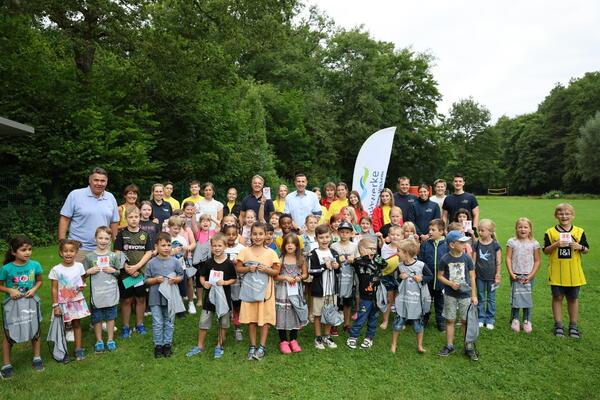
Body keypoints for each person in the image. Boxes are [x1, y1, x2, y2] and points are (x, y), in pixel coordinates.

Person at [0, 236, 44, 378]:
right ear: (13, 252)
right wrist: (10, 290)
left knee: (34, 330)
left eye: (30, 249)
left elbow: (39, 281)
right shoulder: (6, 269)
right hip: (12, 306)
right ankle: (7, 364)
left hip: (30, 303)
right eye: (23, 250)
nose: (27, 252)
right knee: (9, 333)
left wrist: (34, 290)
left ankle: (37, 358)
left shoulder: (35, 265)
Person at [236, 222, 281, 360]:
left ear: (266, 235)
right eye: (255, 234)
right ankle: (253, 345)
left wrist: (267, 270)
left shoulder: (271, 253)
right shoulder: (244, 251)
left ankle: (262, 346)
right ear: (251, 235)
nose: (257, 237)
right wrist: (248, 268)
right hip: (250, 291)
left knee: (265, 319)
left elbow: (276, 272)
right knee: (251, 319)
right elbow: (238, 268)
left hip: (265, 293)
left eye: (260, 234)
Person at [543, 203, 589, 339]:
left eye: (567, 213)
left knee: (573, 298)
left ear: (572, 215)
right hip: (557, 272)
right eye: (561, 213)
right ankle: (558, 325)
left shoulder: (579, 231)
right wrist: (556, 244)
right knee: (557, 297)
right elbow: (545, 251)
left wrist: (579, 246)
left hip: (574, 272)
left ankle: (573, 325)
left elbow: (586, 249)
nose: (564, 216)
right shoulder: (550, 232)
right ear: (556, 215)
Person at [187, 234, 237, 359]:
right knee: (204, 322)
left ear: (225, 246)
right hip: (209, 299)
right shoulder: (208, 263)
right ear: (211, 247)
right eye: (214, 246)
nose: (217, 248)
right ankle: (200, 346)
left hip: (224, 299)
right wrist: (204, 283)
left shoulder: (229, 264)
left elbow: (233, 279)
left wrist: (225, 282)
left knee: (223, 323)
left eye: (220, 245)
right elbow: (202, 276)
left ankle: (219, 345)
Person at [58, 167, 120, 262]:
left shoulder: (110, 197)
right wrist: (62, 242)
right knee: (77, 276)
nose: (99, 183)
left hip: (103, 248)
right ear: (90, 180)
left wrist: (116, 246)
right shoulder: (75, 195)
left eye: (102, 181)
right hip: (78, 248)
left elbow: (114, 222)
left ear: (106, 182)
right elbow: (65, 219)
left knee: (102, 276)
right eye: (96, 180)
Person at [437, 230, 479, 361]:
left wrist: (474, 295)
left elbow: (472, 277)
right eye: (461, 242)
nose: (465, 244)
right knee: (450, 320)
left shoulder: (467, 258)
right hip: (450, 295)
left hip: (465, 295)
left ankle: (469, 346)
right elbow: (439, 276)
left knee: (465, 321)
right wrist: (450, 283)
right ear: (452, 245)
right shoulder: (445, 259)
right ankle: (449, 345)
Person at [114, 205, 154, 338]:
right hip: (126, 274)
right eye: (131, 217)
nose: (134, 219)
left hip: (140, 273)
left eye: (136, 217)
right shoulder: (122, 234)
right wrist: (126, 267)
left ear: (139, 218)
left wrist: (137, 267)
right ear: (126, 219)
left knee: (141, 299)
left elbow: (148, 252)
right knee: (126, 300)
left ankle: (140, 324)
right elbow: (118, 253)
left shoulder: (145, 234)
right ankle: (126, 327)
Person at [49, 240, 91, 361]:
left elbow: (82, 280)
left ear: (76, 252)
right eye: (65, 251)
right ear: (61, 253)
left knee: (77, 324)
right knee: (61, 327)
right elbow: (54, 288)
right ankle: (62, 351)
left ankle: (78, 349)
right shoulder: (56, 269)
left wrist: (82, 285)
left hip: (76, 301)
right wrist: (55, 305)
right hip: (62, 303)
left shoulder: (79, 266)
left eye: (71, 251)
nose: (68, 254)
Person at [144, 232, 184, 358]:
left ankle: (167, 344)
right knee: (157, 322)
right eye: (163, 245)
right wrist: (155, 280)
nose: (166, 248)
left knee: (169, 320)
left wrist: (176, 280)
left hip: (170, 297)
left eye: (168, 245)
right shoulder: (151, 263)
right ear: (156, 246)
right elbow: (146, 280)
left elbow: (181, 275)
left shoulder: (175, 262)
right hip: (155, 297)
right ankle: (158, 345)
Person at [83, 227, 121, 353]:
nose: (103, 241)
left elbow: (120, 273)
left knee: (111, 317)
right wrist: (88, 272)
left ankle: (110, 340)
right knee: (97, 318)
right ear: (95, 239)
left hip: (110, 292)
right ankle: (99, 341)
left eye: (106, 238)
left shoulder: (113, 256)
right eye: (100, 238)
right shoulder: (89, 257)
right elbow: (82, 275)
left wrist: (114, 271)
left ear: (110, 240)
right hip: (97, 294)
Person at [391, 239, 432, 354]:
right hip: (403, 300)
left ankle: (419, 345)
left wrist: (422, 278)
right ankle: (393, 344)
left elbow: (430, 276)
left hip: (416, 301)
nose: (397, 253)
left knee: (418, 324)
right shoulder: (400, 266)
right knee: (398, 323)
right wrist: (400, 277)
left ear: (407, 253)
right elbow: (394, 280)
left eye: (399, 251)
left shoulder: (421, 265)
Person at [346, 238, 385, 350]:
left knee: (374, 318)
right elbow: (351, 261)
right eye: (369, 249)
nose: (372, 251)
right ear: (362, 250)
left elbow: (385, 264)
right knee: (361, 318)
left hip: (377, 296)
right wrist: (351, 259)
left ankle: (369, 338)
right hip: (365, 296)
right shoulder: (359, 262)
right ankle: (353, 337)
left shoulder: (377, 260)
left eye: (374, 249)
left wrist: (376, 256)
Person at [274, 233, 308, 354]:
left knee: (295, 312)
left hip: (296, 291)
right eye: (287, 243)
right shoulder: (280, 259)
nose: (290, 245)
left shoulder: (301, 259)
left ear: (297, 246)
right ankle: (283, 340)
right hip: (283, 291)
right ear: (284, 246)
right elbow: (275, 276)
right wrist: (285, 277)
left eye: (293, 243)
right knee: (282, 314)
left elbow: (305, 274)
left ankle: (293, 339)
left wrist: (299, 278)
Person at [308, 225, 340, 350]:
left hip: (332, 290)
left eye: (327, 237)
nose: (324, 240)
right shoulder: (314, 253)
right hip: (319, 290)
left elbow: (338, 271)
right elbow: (312, 271)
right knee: (318, 314)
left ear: (331, 237)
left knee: (329, 312)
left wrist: (337, 267)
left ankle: (327, 335)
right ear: (316, 239)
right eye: (321, 237)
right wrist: (324, 267)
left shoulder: (334, 252)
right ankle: (318, 337)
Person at [506, 218, 541, 334]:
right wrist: (511, 273)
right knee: (516, 296)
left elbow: (537, 261)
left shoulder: (534, 244)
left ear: (530, 229)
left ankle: (527, 320)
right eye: (520, 227)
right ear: (516, 228)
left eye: (525, 227)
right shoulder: (512, 242)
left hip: (528, 275)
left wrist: (531, 275)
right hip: (515, 274)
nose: (523, 229)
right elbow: (508, 258)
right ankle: (515, 319)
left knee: (526, 297)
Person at [418, 219, 449, 331]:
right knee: (426, 300)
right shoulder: (425, 244)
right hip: (428, 280)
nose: (430, 232)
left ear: (441, 231)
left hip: (441, 280)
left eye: (433, 230)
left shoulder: (447, 245)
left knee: (440, 302)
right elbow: (420, 260)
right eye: (429, 229)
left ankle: (440, 321)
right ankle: (424, 318)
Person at [331, 221, 360, 332]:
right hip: (337, 278)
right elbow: (331, 260)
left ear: (351, 234)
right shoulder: (334, 245)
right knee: (337, 301)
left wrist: (353, 260)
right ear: (338, 233)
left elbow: (358, 261)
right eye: (342, 232)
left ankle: (347, 323)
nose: (344, 235)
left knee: (348, 301)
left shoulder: (354, 246)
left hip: (349, 278)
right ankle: (335, 323)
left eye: (347, 232)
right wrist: (338, 259)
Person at [474, 219, 501, 330]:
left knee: (491, 298)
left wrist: (498, 275)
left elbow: (498, 262)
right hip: (479, 276)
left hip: (492, 277)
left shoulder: (495, 245)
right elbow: (473, 260)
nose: (480, 233)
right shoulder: (477, 244)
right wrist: (473, 273)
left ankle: (490, 319)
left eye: (482, 231)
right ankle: (481, 318)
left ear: (490, 232)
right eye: (479, 230)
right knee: (481, 297)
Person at [222, 225, 247, 342]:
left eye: (234, 234)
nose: (231, 237)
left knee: (237, 305)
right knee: (225, 306)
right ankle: (223, 329)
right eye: (228, 234)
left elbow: (245, 264)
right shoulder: (221, 247)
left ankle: (238, 328)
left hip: (237, 282)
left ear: (237, 235)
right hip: (223, 282)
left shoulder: (242, 248)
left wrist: (238, 263)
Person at [169, 216, 196, 314]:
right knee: (171, 286)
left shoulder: (182, 238)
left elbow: (186, 253)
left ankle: (186, 304)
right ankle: (174, 308)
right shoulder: (167, 238)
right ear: (169, 227)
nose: (177, 230)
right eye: (174, 228)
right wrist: (173, 251)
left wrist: (185, 249)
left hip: (183, 265)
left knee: (184, 286)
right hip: (169, 267)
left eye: (178, 228)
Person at [379, 225, 402, 330]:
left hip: (400, 276)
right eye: (392, 234)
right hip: (387, 276)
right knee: (389, 299)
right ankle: (385, 320)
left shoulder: (403, 248)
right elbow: (384, 264)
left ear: (402, 236)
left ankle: (400, 320)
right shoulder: (385, 247)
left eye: (397, 235)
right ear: (388, 235)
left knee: (399, 299)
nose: (395, 237)